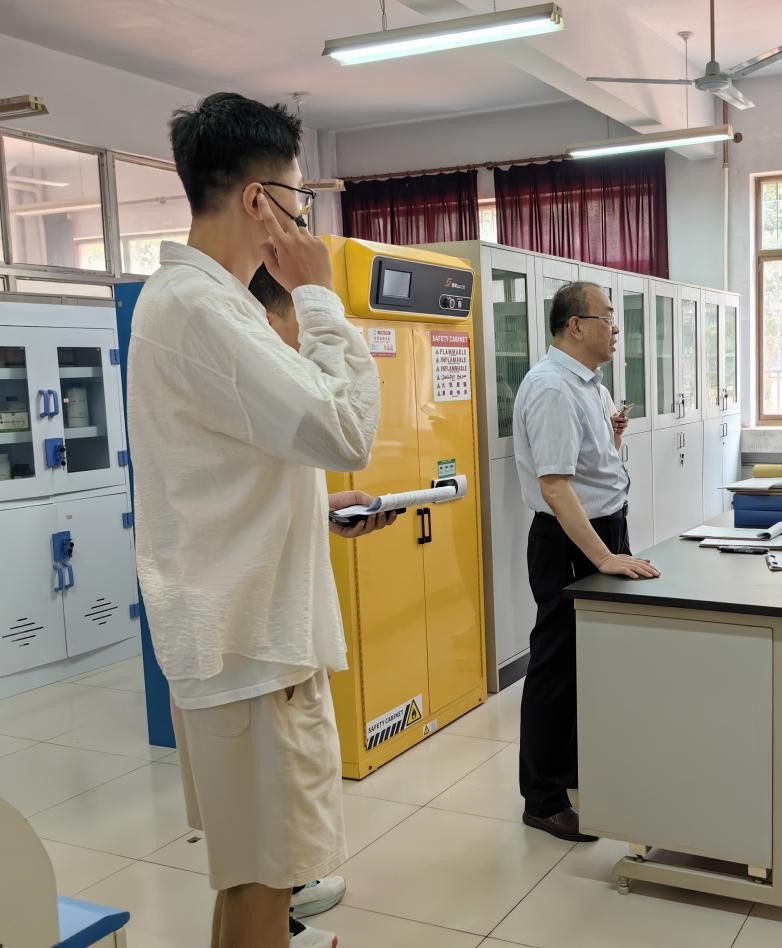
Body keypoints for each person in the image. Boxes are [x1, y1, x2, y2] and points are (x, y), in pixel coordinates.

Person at [128, 93, 393, 948]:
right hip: (251, 649)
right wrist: (318, 297)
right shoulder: (200, 308)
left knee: (253, 879)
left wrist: (315, 506)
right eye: (297, 199)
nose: (303, 220)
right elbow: (346, 431)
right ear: (259, 200)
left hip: (243, 641)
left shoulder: (208, 303)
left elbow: (238, 465)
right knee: (265, 884)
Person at [512, 281, 661, 842]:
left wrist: (611, 438)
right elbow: (554, 486)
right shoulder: (552, 387)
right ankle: (543, 798)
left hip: (600, 528)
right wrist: (603, 557)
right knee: (555, 666)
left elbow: (588, 466)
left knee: (586, 661)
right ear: (576, 325)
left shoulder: (590, 385)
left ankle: (571, 768)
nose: (616, 329)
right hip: (571, 540)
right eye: (607, 318)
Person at [246, 265, 352, 940]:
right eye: (301, 323)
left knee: (281, 797)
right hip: (264, 631)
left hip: (282, 617)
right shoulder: (255, 374)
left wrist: (327, 508)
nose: (303, 342)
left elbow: (269, 495)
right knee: (271, 802)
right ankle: (278, 917)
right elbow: (349, 432)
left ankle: (285, 901)